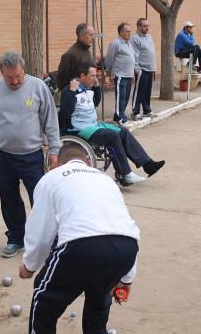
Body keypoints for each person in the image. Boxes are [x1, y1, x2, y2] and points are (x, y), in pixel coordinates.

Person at [19, 141, 140, 333]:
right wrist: (126, 280)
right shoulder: (105, 179)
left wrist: (30, 265)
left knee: (44, 300)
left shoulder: (52, 177)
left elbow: (41, 230)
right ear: (88, 163)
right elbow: (123, 225)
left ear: (56, 164)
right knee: (99, 297)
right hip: (126, 247)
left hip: (81, 246)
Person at [0, 51, 60, 258]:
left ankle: (46, 241)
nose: (14, 81)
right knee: (9, 199)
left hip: (31, 155)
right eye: (9, 77)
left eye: (18, 76)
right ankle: (15, 238)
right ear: (2, 73)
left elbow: (50, 121)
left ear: (24, 71)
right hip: (2, 155)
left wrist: (54, 149)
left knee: (39, 200)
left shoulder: (38, 87)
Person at [60, 62, 165, 185]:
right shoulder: (70, 90)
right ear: (82, 76)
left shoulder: (87, 89)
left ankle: (148, 164)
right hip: (78, 129)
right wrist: (72, 91)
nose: (95, 78)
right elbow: (65, 113)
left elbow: (95, 103)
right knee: (112, 136)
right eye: (93, 76)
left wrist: (96, 88)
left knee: (123, 131)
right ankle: (125, 174)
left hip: (92, 125)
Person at [105, 23, 135, 125]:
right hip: (120, 75)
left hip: (129, 75)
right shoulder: (115, 43)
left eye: (130, 31)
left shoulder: (129, 43)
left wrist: (132, 74)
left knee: (126, 97)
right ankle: (119, 118)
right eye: (127, 31)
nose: (129, 33)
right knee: (120, 98)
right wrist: (110, 73)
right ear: (121, 32)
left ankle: (118, 114)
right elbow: (109, 59)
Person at [130, 18, 157, 120]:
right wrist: (138, 70)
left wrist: (154, 67)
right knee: (139, 91)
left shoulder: (149, 36)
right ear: (139, 26)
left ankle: (147, 110)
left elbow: (151, 52)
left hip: (150, 68)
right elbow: (135, 56)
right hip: (142, 69)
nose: (147, 28)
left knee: (147, 91)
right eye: (145, 26)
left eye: (148, 26)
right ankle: (135, 111)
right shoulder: (135, 38)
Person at [56, 23, 94, 90]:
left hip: (87, 93)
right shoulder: (70, 55)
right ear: (82, 35)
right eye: (90, 35)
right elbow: (62, 81)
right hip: (76, 95)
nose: (93, 38)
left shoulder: (87, 51)